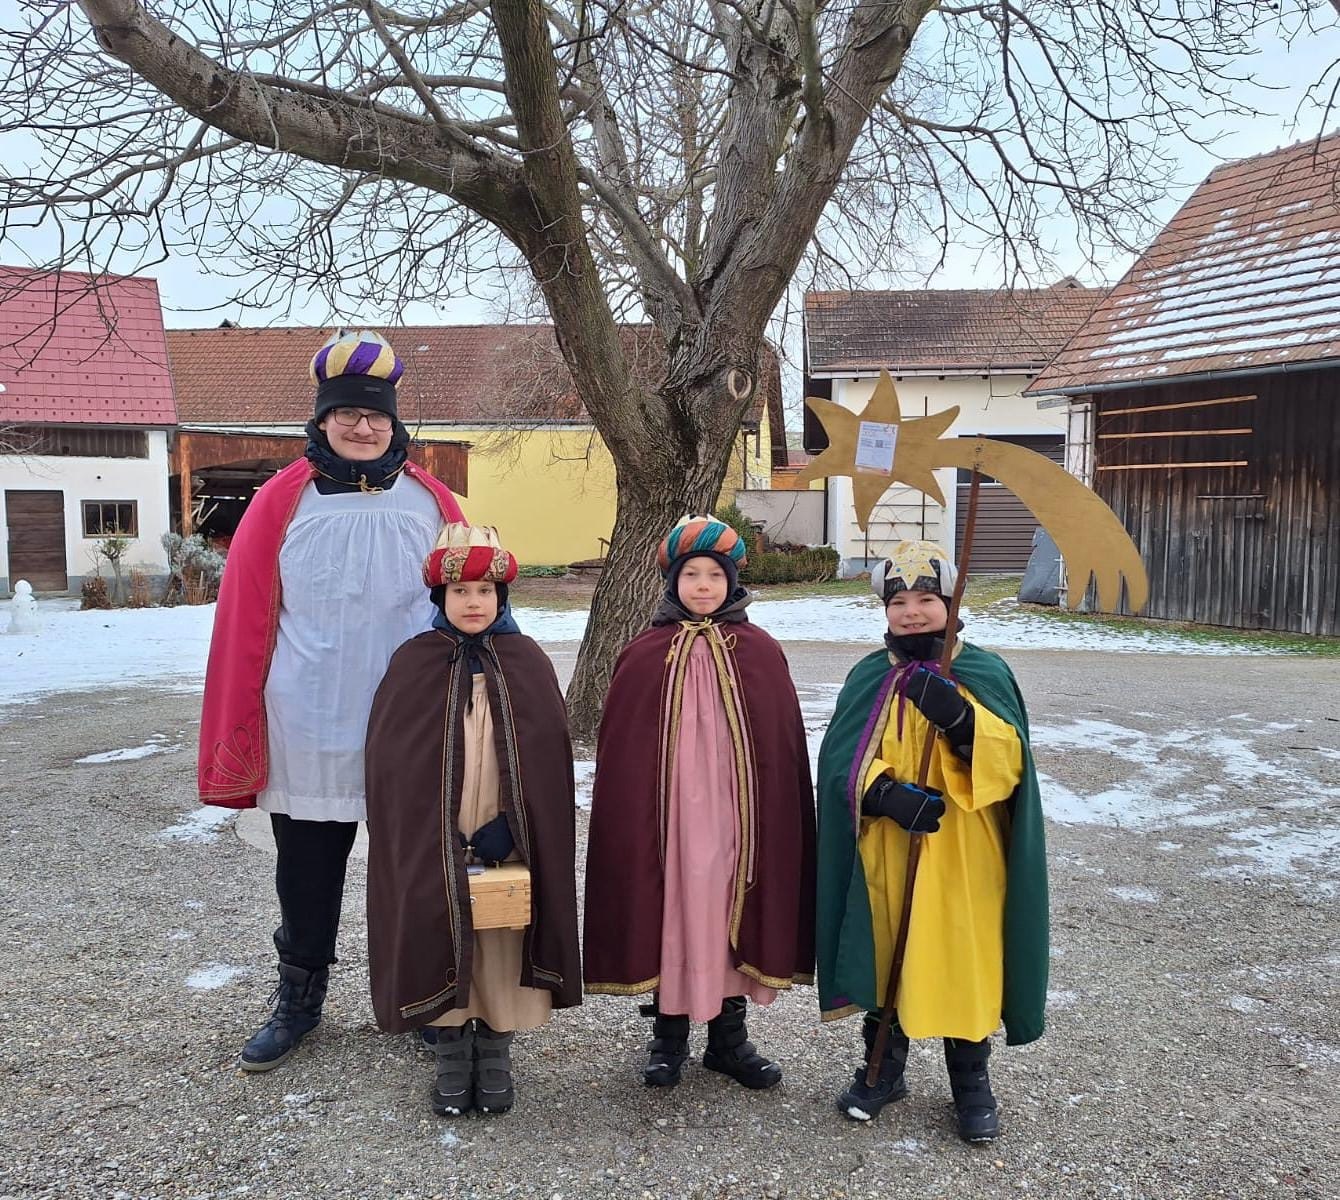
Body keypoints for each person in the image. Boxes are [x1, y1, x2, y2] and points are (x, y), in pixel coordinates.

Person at [197, 329, 464, 1072]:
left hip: (409, 716)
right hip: (309, 714)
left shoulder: (431, 501)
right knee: (307, 869)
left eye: (374, 414)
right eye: (346, 412)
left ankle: (421, 994)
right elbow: (247, 617)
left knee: (414, 867)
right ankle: (299, 999)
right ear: (322, 419)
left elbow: (472, 599)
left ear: (393, 421)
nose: (362, 427)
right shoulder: (281, 502)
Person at [814, 540, 1048, 1142]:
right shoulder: (870, 676)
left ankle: (971, 1083)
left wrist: (962, 721)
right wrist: (883, 794)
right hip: (890, 849)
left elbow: (1012, 768)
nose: (912, 612)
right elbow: (839, 761)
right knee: (889, 951)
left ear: (951, 604)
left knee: (962, 956)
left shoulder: (984, 673)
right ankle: (882, 1071)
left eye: (926, 599)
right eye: (899, 602)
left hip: (965, 851)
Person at [584, 515, 815, 1090]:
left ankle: (728, 1042)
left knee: (728, 906)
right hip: (669, 820)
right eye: (692, 575)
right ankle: (668, 1037)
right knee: (673, 907)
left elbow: (781, 747)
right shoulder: (643, 654)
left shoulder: (761, 652)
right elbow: (623, 750)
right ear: (673, 582)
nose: (704, 585)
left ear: (732, 582)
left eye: (715, 574)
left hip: (738, 816)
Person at [363, 524, 581, 1116]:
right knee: (439, 925)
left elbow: (549, 762)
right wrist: (432, 827)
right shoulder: (413, 663)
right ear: (441, 597)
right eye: (460, 591)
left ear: (501, 596)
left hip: (506, 835)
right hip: (437, 834)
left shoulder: (527, 662)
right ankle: (451, 1052)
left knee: (501, 936)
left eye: (485, 590)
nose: (474, 602)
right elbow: (390, 763)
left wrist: (516, 823)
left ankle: (496, 1050)